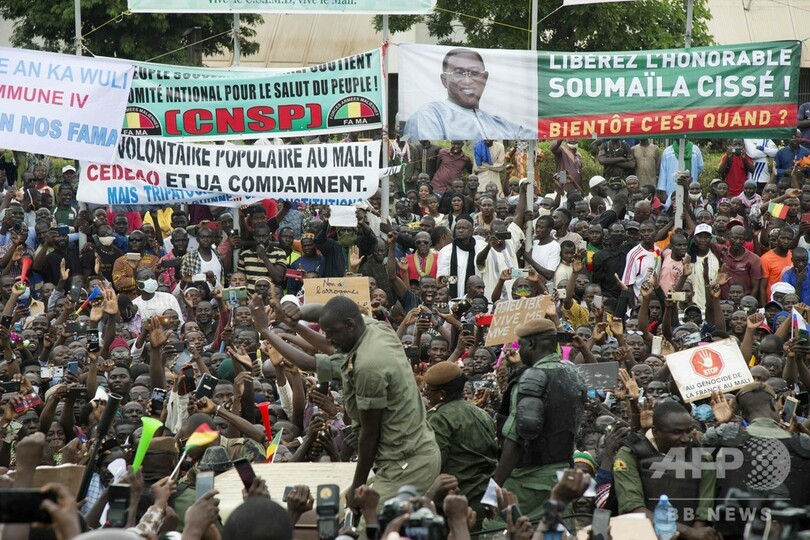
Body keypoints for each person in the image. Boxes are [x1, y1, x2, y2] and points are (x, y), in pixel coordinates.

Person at [270, 295, 441, 510]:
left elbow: (370, 434)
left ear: (350, 325)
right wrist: (296, 311)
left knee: (372, 526)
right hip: (412, 454)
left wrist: (356, 487)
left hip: (406, 464)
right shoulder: (372, 328)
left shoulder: (368, 366)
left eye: (331, 333)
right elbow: (325, 313)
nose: (328, 339)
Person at [493, 318, 586, 522]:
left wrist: (494, 488)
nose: (520, 349)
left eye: (521, 344)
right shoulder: (573, 372)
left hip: (529, 481)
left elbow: (517, 439)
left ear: (532, 345)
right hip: (562, 473)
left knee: (498, 528)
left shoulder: (531, 379)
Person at [613, 400, 720, 538]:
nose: (685, 438)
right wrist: (689, 533)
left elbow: (704, 510)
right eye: (677, 432)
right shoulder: (630, 454)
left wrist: (694, 534)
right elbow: (633, 508)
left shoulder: (703, 458)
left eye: (689, 431)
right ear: (656, 432)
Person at [423, 361, 497, 528]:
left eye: (428, 390)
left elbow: (433, 466)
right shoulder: (481, 413)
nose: (425, 394)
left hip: (455, 507)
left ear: (441, 394)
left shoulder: (438, 418)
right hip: (484, 502)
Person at [403, 48, 534, 140]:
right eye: (458, 73)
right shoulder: (430, 115)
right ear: (444, 80)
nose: (467, 81)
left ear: (485, 78)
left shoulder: (501, 125)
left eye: (475, 73)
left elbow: (540, 136)